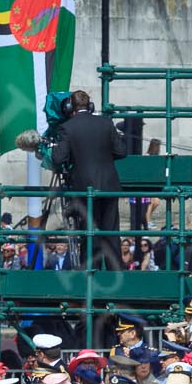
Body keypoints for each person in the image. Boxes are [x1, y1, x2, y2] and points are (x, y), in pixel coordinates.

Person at [50, 89, 126, 271]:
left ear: (70, 107)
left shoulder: (67, 127)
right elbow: (121, 151)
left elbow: (58, 158)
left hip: (84, 186)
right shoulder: (106, 123)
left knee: (89, 232)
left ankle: (91, 272)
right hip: (108, 184)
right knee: (111, 231)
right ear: (90, 106)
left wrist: (56, 148)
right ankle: (116, 271)